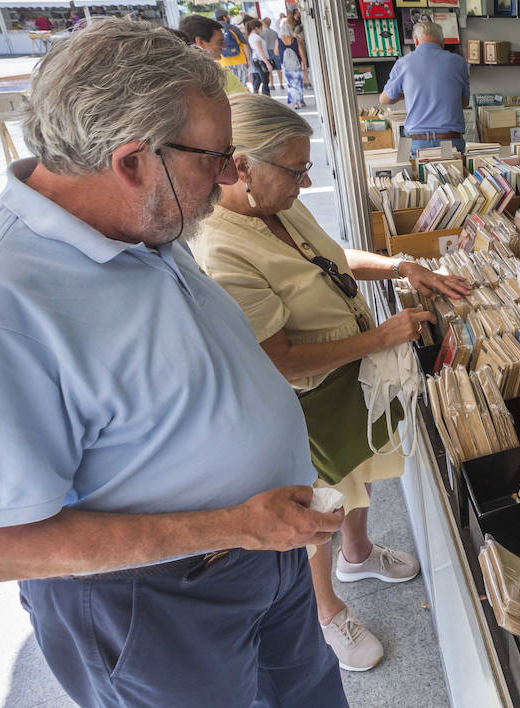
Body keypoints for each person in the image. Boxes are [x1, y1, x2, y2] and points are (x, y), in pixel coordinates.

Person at [0, 19, 348, 707]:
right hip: (157, 602)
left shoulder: (144, 222)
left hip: (264, 557)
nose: (231, 175)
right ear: (131, 160)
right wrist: (234, 525)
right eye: (215, 156)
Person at [192, 95, 470, 670]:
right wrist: (381, 338)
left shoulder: (281, 206)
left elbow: (335, 259)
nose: (306, 179)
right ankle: (327, 611)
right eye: (295, 169)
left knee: (361, 474)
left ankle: (359, 554)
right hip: (306, 400)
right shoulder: (221, 247)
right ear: (242, 166)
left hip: (351, 380)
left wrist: (401, 266)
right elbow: (281, 361)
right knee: (321, 501)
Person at [379, 19, 469, 156]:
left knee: (418, 177)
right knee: (451, 174)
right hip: (449, 140)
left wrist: (405, 95)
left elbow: (385, 100)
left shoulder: (403, 63)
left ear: (415, 41)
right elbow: (464, 102)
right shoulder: (459, 62)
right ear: (442, 42)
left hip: (417, 141)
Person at [179, 14, 245, 95]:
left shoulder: (177, 81)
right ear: (200, 42)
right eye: (220, 42)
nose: (224, 47)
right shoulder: (220, 76)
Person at [215, 10, 249, 85]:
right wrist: (248, 60)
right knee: (242, 86)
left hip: (223, 63)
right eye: (228, 16)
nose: (229, 17)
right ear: (224, 17)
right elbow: (244, 45)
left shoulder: (214, 30)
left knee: (229, 87)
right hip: (239, 61)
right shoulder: (233, 28)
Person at [278, 21, 307, 108]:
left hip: (286, 66)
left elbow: (276, 52)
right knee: (298, 82)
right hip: (296, 65)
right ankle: (301, 101)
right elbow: (302, 53)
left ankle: (295, 103)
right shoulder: (295, 40)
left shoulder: (279, 40)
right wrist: (304, 63)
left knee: (290, 84)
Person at [244, 17, 272, 96]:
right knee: (265, 80)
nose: (262, 30)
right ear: (256, 28)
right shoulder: (256, 37)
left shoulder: (251, 36)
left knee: (261, 79)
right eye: (261, 28)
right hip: (261, 60)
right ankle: (266, 96)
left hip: (257, 60)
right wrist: (267, 63)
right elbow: (260, 50)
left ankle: (258, 94)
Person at [261, 16, 283, 89]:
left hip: (267, 52)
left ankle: (272, 85)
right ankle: (281, 84)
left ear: (263, 23)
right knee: (278, 68)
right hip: (275, 51)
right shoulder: (274, 32)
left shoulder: (261, 33)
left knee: (269, 69)